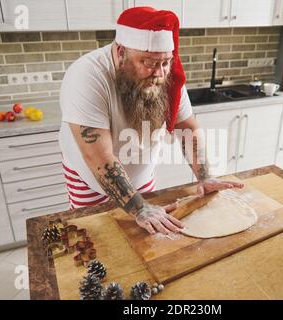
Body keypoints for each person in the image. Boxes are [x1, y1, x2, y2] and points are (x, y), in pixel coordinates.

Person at [59, 6, 244, 235]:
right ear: (120, 52)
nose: (159, 74)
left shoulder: (166, 73)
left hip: (140, 173)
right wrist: (139, 209)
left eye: (165, 63)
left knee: (147, 239)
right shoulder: (87, 76)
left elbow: (187, 127)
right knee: (99, 241)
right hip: (90, 180)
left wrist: (205, 177)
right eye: (148, 63)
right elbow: (98, 156)